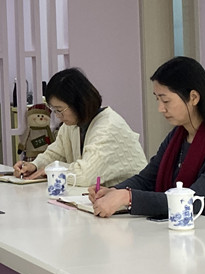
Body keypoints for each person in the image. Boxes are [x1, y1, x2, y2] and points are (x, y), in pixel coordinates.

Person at [90, 56, 205, 218]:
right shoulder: (177, 137)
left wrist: (127, 197)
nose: (160, 108)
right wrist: (114, 191)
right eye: (157, 99)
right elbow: (147, 179)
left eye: (166, 101)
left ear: (193, 97)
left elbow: (192, 201)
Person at [13, 68, 147, 186]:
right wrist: (34, 165)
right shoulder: (73, 123)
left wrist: (49, 170)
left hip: (129, 199)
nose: (58, 116)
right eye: (54, 110)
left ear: (78, 103)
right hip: (102, 197)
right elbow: (56, 153)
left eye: (59, 110)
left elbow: (86, 175)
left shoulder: (108, 127)